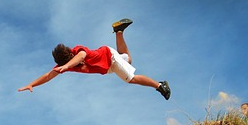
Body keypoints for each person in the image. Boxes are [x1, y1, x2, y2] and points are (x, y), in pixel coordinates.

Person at [17, 18, 171, 100]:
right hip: (108, 65)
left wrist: (66, 66)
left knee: (131, 79)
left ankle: (160, 85)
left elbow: (82, 56)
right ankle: (119, 31)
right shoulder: (66, 65)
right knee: (128, 59)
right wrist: (31, 84)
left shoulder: (77, 51)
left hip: (110, 58)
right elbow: (48, 76)